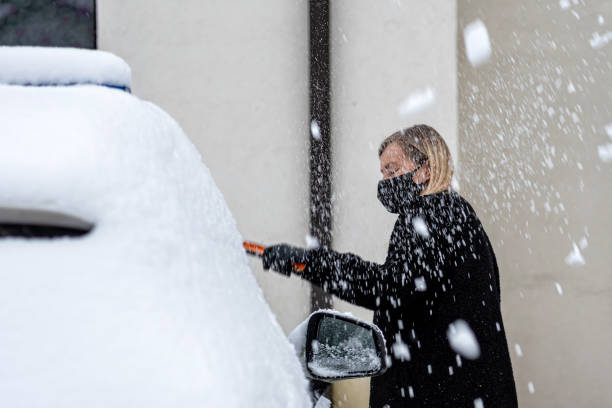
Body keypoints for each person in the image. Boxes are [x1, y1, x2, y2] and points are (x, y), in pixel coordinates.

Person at [263, 124, 518, 407]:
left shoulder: (434, 215)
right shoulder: (454, 216)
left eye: (393, 170)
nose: (385, 181)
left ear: (425, 170)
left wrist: (309, 262)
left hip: (442, 394)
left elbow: (388, 287)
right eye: (383, 172)